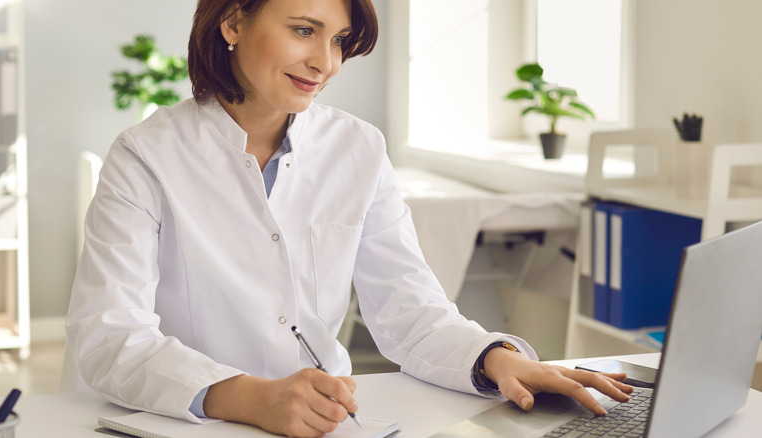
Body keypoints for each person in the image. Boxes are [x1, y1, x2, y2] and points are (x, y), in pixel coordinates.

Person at [65, 0, 633, 436]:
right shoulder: (146, 155)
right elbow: (110, 337)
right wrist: (251, 397)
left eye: (338, 40)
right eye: (304, 30)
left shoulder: (358, 148)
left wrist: (494, 358)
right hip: (185, 421)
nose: (326, 62)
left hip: (329, 421)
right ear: (233, 22)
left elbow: (410, 311)